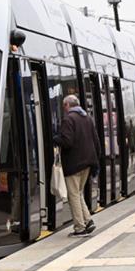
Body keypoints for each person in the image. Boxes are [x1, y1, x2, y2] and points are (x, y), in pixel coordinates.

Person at [53, 95, 99, 237]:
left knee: (73, 195)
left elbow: (67, 141)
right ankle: (88, 220)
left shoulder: (68, 119)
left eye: (63, 106)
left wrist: (54, 138)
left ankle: (79, 227)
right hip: (87, 163)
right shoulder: (87, 118)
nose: (63, 109)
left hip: (74, 164)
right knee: (78, 194)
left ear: (67, 105)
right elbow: (96, 140)